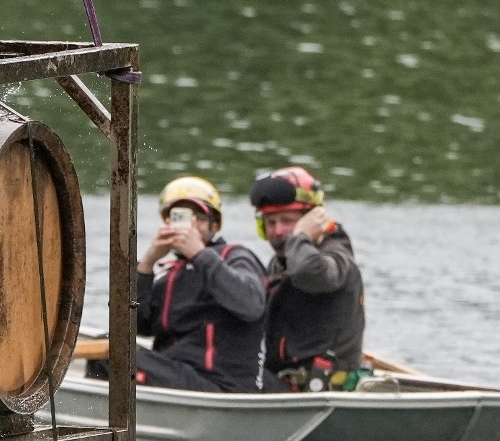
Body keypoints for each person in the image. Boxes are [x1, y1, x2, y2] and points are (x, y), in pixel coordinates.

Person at [128, 176, 268, 392]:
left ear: (215, 225)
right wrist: (146, 265)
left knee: (112, 352)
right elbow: (130, 326)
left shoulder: (235, 257)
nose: (189, 227)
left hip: (220, 383)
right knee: (108, 347)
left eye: (199, 218)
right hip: (177, 374)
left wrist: (199, 254)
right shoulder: (170, 275)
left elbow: (251, 305)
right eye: (178, 218)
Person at [249, 166, 366, 392]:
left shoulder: (336, 257)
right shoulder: (280, 262)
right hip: (280, 385)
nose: (278, 231)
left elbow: (309, 273)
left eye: (287, 221)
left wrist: (300, 237)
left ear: (313, 219)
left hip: (320, 394)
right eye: (270, 223)